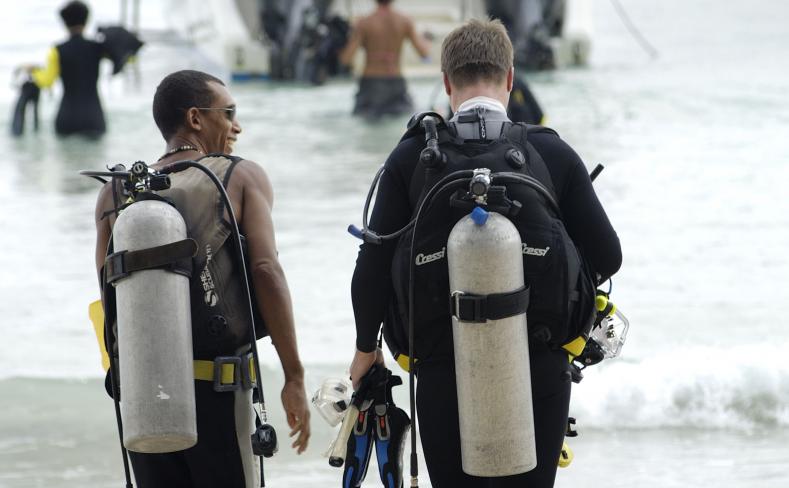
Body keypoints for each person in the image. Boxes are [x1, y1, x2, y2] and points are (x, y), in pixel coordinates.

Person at [348, 19, 621, 488]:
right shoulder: (549, 153)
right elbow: (609, 256)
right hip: (540, 362)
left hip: (439, 363)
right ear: (511, 79)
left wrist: (364, 350)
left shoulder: (411, 157)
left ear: (446, 82)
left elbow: (371, 270)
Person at [92, 70, 310, 487]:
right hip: (219, 394)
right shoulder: (239, 176)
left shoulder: (114, 194)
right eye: (228, 113)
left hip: (144, 397)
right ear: (195, 118)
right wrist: (293, 376)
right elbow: (266, 271)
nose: (236, 125)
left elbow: (108, 299)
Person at [20, 1, 106, 137]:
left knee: (64, 158)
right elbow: (125, 57)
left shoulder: (57, 50)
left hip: (66, 118)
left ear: (64, 23)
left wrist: (33, 71)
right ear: (86, 20)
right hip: (93, 118)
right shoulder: (98, 47)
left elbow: (47, 81)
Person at [339, 0, 431, 119]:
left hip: (371, 83)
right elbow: (424, 54)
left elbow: (346, 59)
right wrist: (427, 40)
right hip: (396, 81)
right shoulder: (405, 21)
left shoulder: (364, 23)